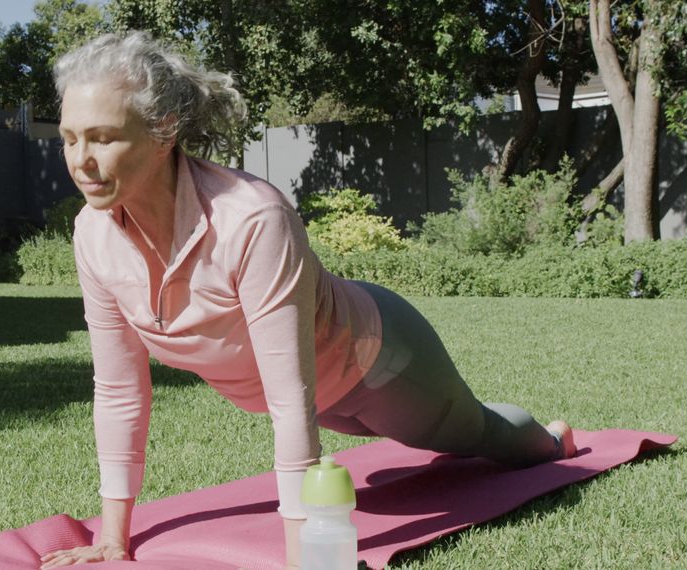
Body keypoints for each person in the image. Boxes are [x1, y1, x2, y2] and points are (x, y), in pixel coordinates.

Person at [39, 31, 576, 570]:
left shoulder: (250, 219)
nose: (81, 159)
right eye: (69, 138)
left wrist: (303, 554)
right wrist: (113, 540)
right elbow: (118, 389)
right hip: (324, 394)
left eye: (103, 137)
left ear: (164, 132)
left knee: (479, 436)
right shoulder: (93, 233)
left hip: (381, 360)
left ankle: (554, 444)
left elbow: (289, 398)